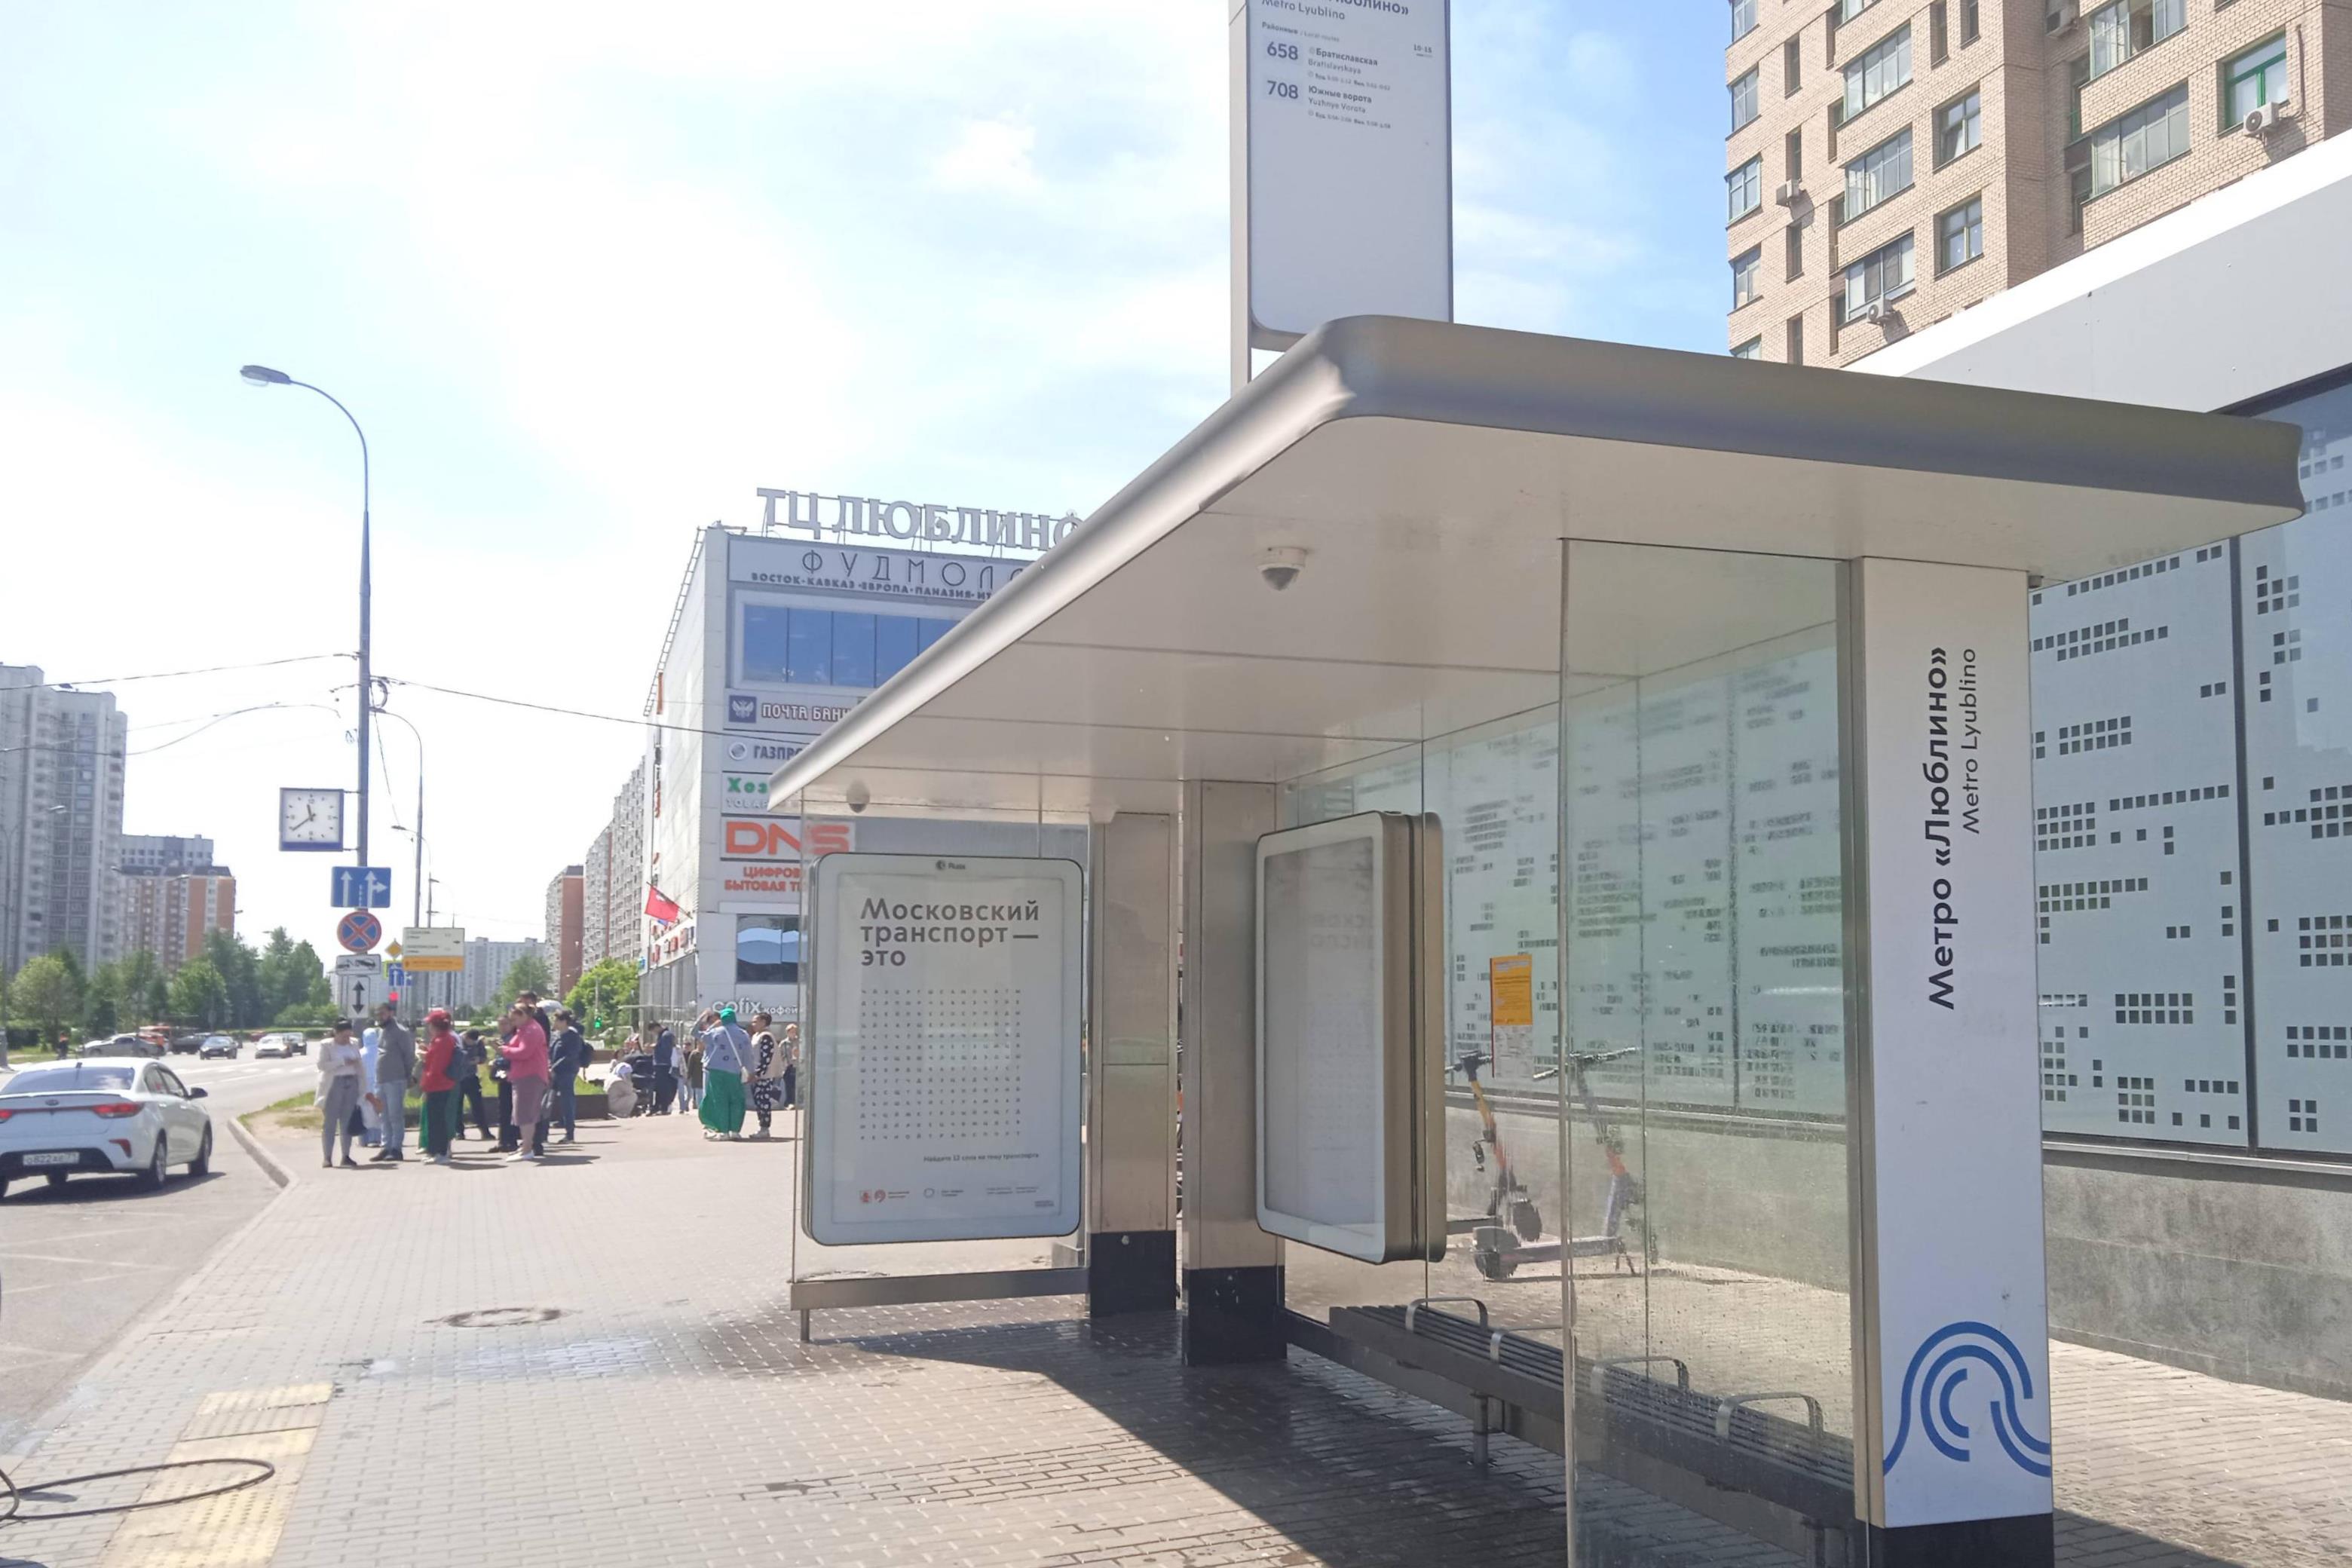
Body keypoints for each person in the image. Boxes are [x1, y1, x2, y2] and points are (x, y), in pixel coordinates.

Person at [500, 1000, 552, 1163]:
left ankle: (527, 1149)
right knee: (523, 1113)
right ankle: (525, 1146)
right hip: (523, 1075)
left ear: (523, 1016)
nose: (513, 1023)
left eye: (514, 1019)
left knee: (525, 1114)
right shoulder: (525, 1029)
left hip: (530, 1075)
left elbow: (523, 1052)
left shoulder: (531, 1030)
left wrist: (503, 1050)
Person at [315, 1020, 366, 1168]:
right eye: (344, 1036)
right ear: (336, 1033)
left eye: (349, 1036)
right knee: (330, 1122)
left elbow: (360, 1065)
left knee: (347, 1121)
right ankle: (327, 1157)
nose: (347, 1039)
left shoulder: (354, 1043)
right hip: (334, 1084)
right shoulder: (327, 1045)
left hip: (351, 1082)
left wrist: (363, 1086)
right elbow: (321, 1065)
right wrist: (342, 1062)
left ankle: (346, 1156)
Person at [371, 1003, 415, 1163]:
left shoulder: (401, 1032)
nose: (380, 1017)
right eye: (378, 1014)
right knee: (383, 1115)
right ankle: (386, 1146)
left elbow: (409, 1056)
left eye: (383, 1013)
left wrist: (408, 1075)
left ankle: (396, 1149)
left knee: (395, 1115)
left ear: (391, 1013)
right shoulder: (381, 1031)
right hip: (381, 1079)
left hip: (396, 1079)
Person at [696, 1006, 749, 1140]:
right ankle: (735, 1130)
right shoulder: (743, 1034)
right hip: (735, 1071)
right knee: (737, 1100)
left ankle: (723, 1131)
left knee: (720, 1100)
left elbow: (695, 1032)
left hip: (716, 1071)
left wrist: (705, 1020)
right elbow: (748, 1055)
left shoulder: (715, 1032)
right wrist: (751, 1071)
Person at [419, 1009, 461, 1165]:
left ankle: (440, 1152)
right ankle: (435, 1151)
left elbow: (436, 1067)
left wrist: (425, 1086)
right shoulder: (446, 1039)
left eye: (430, 1024)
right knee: (436, 1119)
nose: (429, 1027)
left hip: (437, 1085)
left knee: (436, 1120)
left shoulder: (441, 1041)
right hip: (443, 1084)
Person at [547, 1008, 587, 1147]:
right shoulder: (557, 1035)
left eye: (556, 1020)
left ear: (564, 1021)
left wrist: (554, 1067)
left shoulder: (572, 1036)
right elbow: (551, 1052)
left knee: (567, 1102)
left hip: (567, 1072)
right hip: (555, 1072)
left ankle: (570, 1134)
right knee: (548, 1102)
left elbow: (571, 1055)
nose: (554, 1023)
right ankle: (543, 1134)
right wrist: (549, 1065)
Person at [746, 1012, 785, 1140]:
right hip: (755, 1075)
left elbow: (766, 1058)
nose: (753, 1024)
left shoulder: (766, 1037)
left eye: (755, 1022)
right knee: (758, 1102)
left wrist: (758, 1074)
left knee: (763, 1102)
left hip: (764, 1076)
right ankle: (761, 1127)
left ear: (763, 1022)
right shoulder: (756, 1036)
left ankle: (765, 1128)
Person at [455, 1029, 493, 1140]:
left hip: (472, 1077)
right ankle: (459, 1132)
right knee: (457, 1106)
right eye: (469, 1042)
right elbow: (455, 1058)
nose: (471, 1044)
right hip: (458, 1078)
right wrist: (467, 1061)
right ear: (465, 1037)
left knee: (478, 1105)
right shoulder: (457, 1041)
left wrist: (479, 1059)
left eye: (474, 1043)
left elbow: (484, 1056)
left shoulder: (479, 1042)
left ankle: (485, 1132)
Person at [652, 1021, 679, 1115]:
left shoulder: (666, 1036)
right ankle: (657, 1107)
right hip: (661, 1064)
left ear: (656, 1027)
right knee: (659, 1087)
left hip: (663, 1064)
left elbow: (666, 1050)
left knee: (664, 1087)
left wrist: (656, 1048)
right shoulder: (663, 1035)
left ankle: (664, 1107)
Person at [605, 1053, 639, 1119]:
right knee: (633, 1096)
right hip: (613, 1105)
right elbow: (630, 1091)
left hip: (608, 1103)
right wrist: (629, 1082)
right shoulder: (619, 1081)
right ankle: (623, 1114)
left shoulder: (611, 1077)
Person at [779, 1021, 801, 1111]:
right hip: (788, 1066)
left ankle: (796, 1101)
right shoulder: (784, 1043)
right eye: (791, 1032)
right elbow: (779, 1055)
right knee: (789, 1085)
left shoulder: (799, 1042)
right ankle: (790, 1102)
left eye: (794, 1032)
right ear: (787, 1032)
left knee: (797, 1085)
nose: (793, 1033)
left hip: (798, 1066)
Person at [681, 1033, 703, 1113]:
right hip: (696, 1078)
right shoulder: (694, 1054)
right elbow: (690, 1066)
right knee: (698, 1095)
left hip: (705, 1078)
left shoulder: (707, 1053)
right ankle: (700, 1110)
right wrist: (688, 1076)